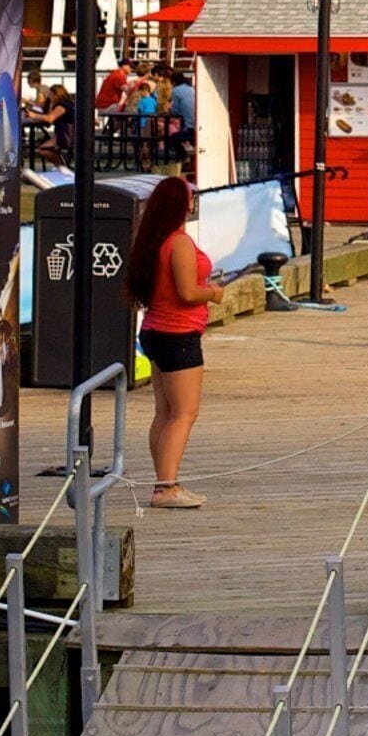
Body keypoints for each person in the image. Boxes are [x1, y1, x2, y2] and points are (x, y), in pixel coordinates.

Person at [124, 174, 217, 508]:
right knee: (184, 413)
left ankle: (165, 480)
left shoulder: (154, 239)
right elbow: (188, 292)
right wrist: (215, 292)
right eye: (190, 197)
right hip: (178, 334)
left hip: (155, 330)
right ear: (182, 205)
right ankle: (166, 488)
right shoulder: (178, 242)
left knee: (164, 411)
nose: (193, 202)